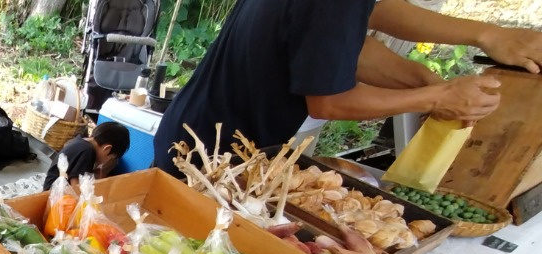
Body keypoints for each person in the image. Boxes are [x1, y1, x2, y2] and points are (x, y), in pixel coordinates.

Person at [152, 0, 542, 176]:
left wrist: (484, 37)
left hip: (200, 132)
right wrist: (437, 96)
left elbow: (347, 42)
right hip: (207, 156)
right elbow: (329, 101)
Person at [42, 121, 131, 190]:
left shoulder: (81, 141)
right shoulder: (88, 151)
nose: (107, 161)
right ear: (107, 149)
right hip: (53, 194)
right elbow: (76, 185)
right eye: (111, 158)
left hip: (52, 186)